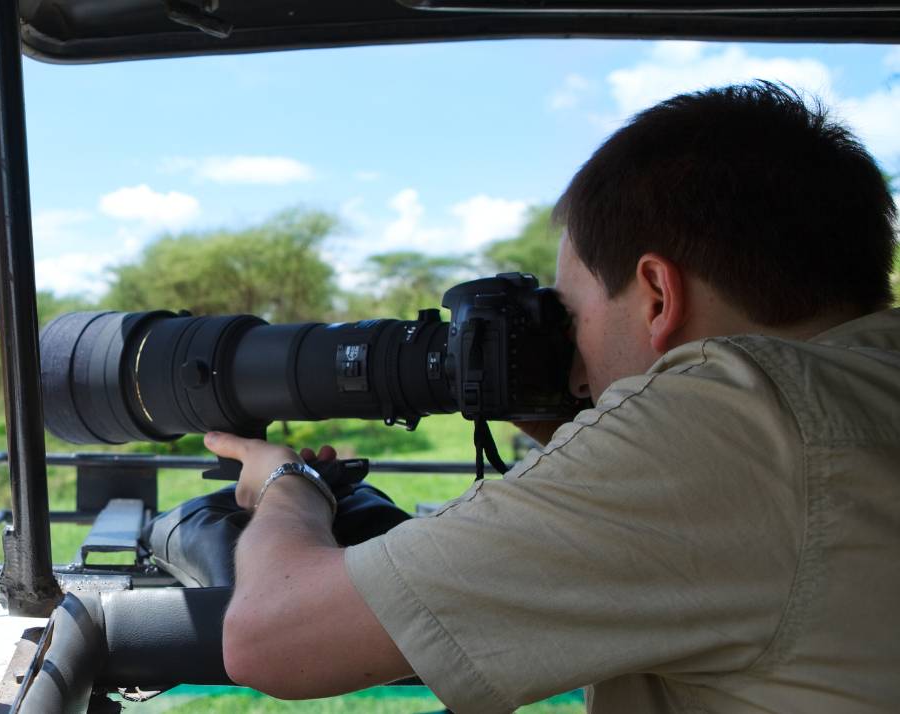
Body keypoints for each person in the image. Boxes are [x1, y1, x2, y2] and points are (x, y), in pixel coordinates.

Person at [209, 81, 900, 713]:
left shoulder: (729, 418)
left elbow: (274, 636)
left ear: (659, 295)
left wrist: (289, 486)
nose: (571, 350)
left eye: (572, 316)